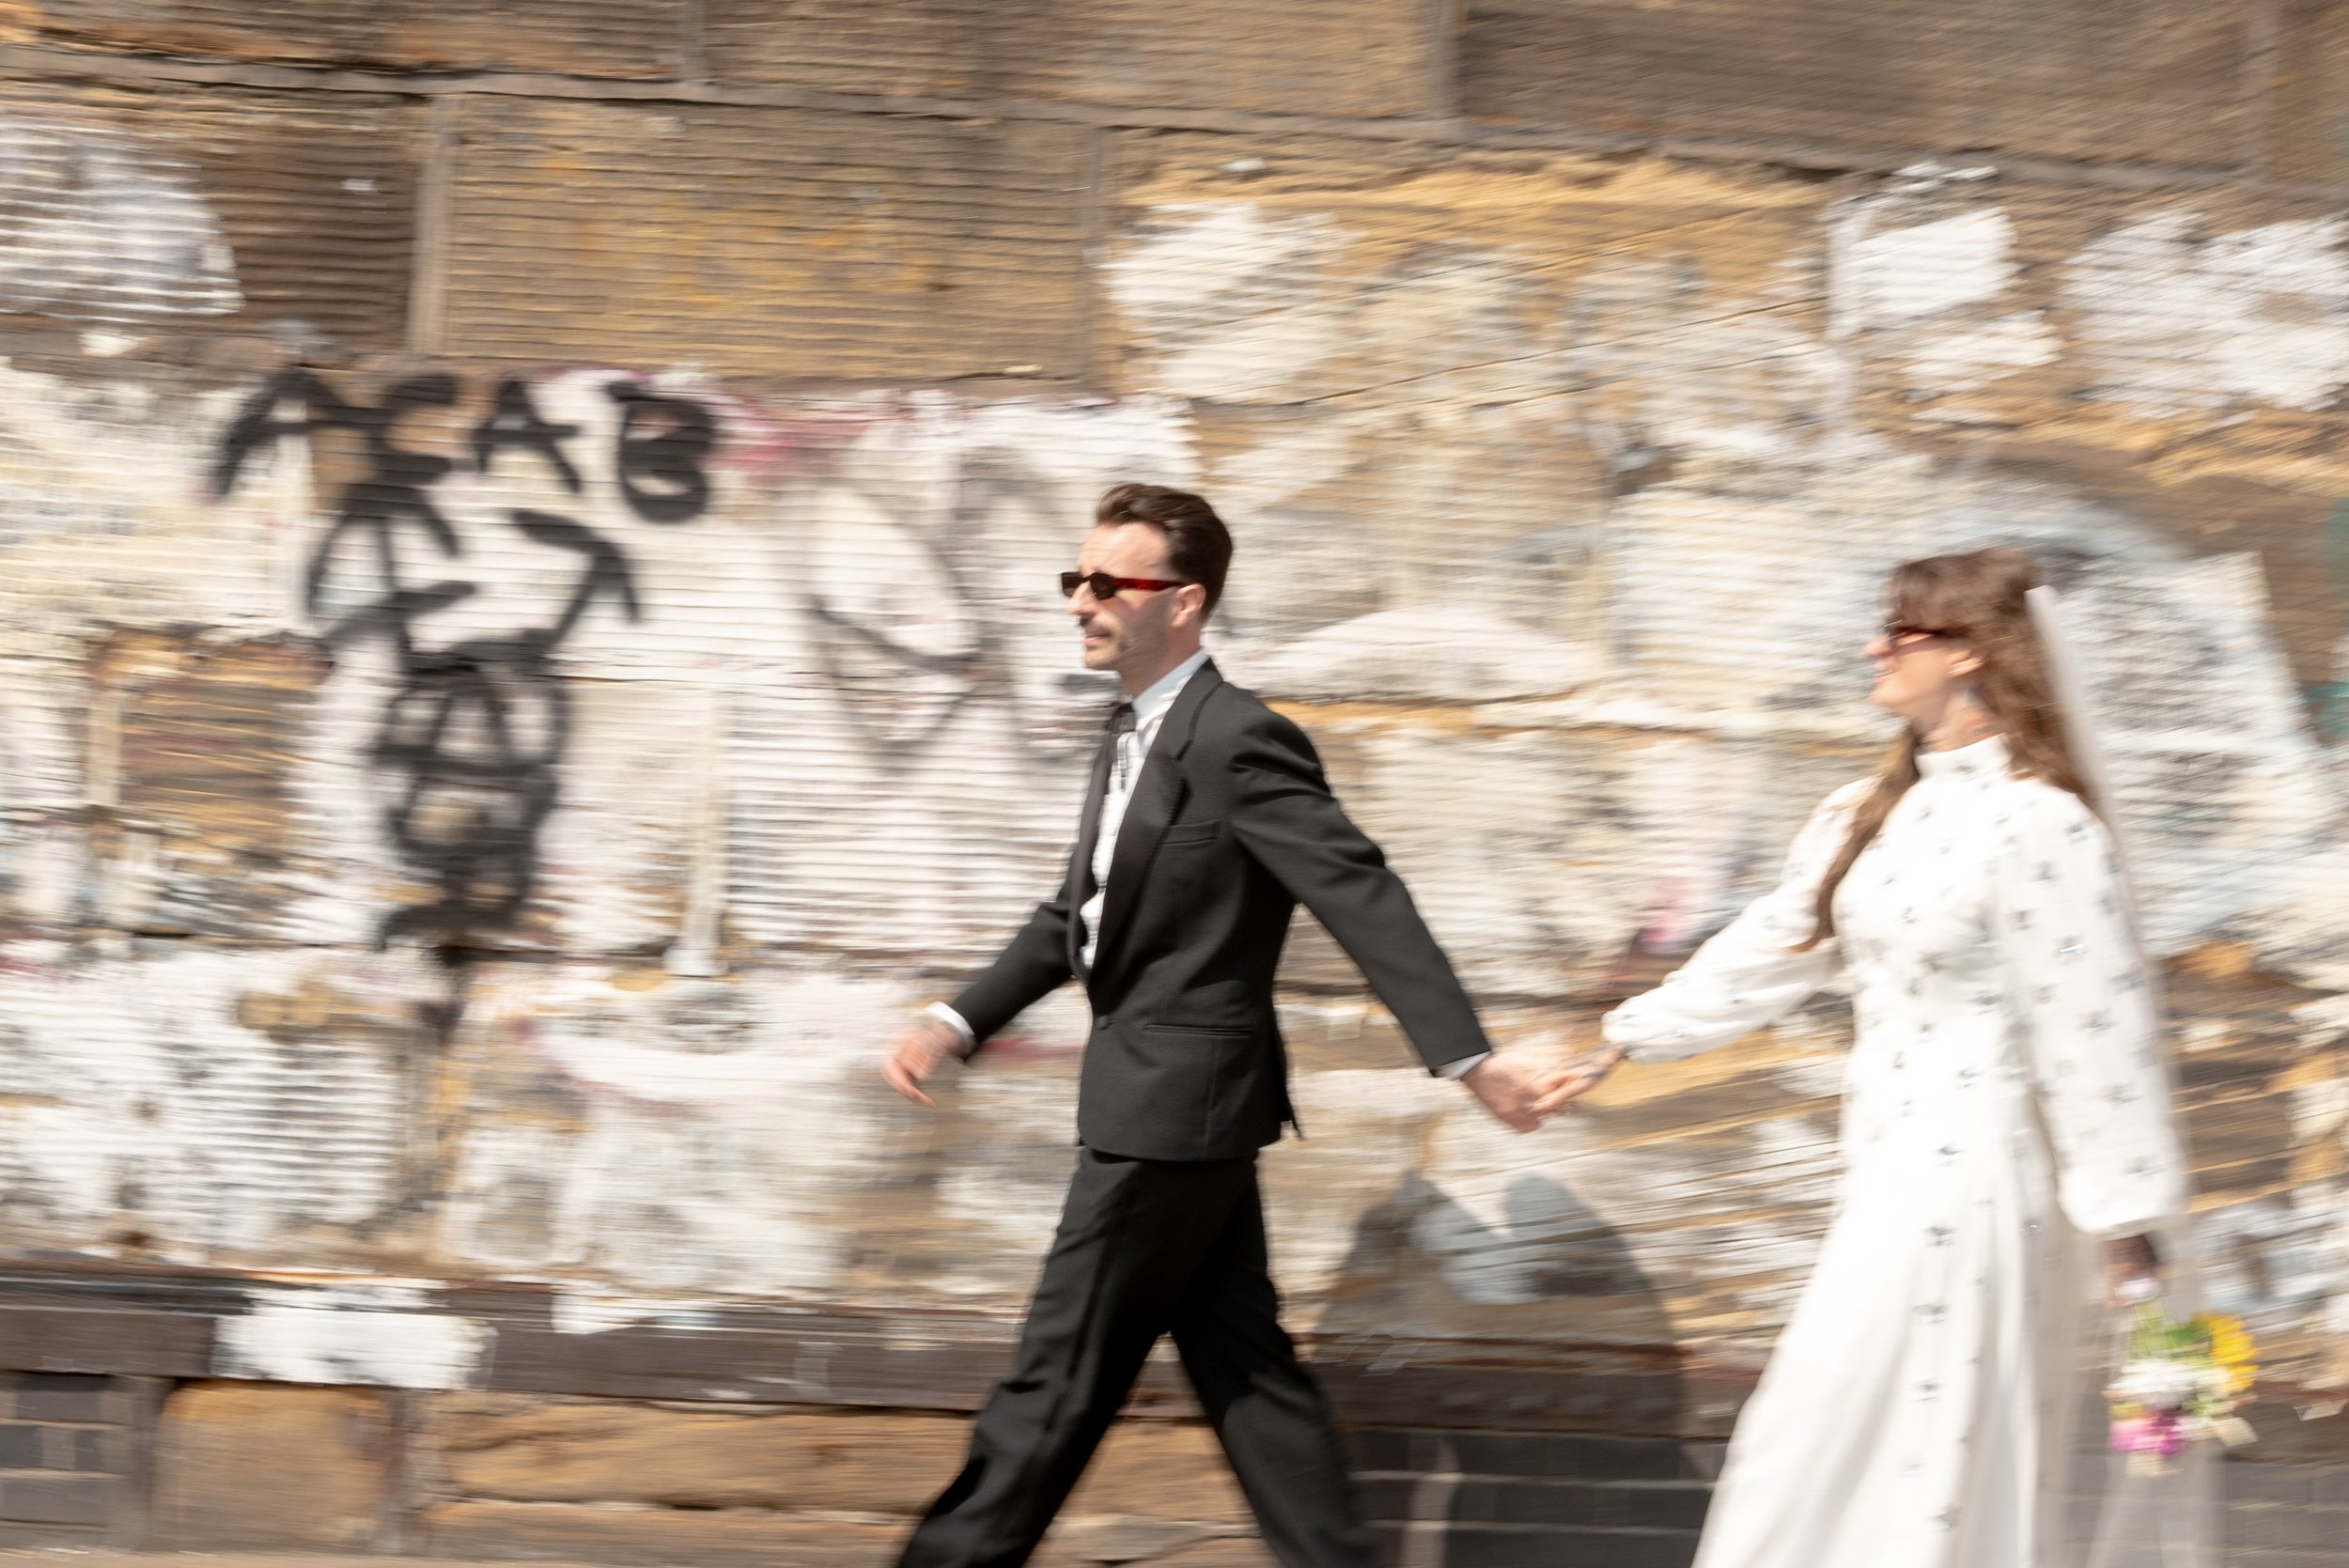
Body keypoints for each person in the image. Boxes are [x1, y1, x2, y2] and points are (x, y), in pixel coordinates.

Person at [880, 483, 1564, 1568]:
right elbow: (1079, 914)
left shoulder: (1237, 738)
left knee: (1054, 1378)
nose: (1080, 600)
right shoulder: (1130, 734)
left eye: (1110, 581)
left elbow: (1360, 893)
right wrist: (955, 1018)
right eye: (1075, 578)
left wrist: (1469, 1060)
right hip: (1175, 1106)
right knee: (1249, 1376)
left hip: (1167, 1116)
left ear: (1183, 603)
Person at [1551, 547, 2188, 1568]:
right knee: (1839, 1445)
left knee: (1841, 1437)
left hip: (1975, 1188)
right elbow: (1768, 947)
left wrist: (2124, 1228)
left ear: (1972, 652)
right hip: (1885, 1171)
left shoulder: (2041, 825)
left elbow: (2093, 1033)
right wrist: (1617, 1042)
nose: (1872, 646)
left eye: (1900, 631)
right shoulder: (1866, 814)